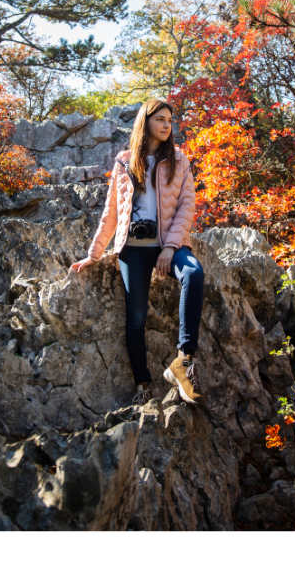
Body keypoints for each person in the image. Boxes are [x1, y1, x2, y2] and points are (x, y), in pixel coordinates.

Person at [70, 99, 205, 406]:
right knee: (135, 319)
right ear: (146, 122)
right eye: (160, 119)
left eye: (170, 119)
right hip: (133, 250)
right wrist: (94, 253)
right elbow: (111, 212)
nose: (167, 124)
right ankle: (143, 383)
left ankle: (184, 361)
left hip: (169, 245)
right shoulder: (123, 162)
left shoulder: (179, 160)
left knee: (194, 273)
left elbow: (187, 206)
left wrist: (169, 247)